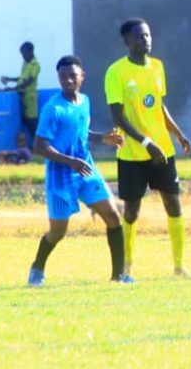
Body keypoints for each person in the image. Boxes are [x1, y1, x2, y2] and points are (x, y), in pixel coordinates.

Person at [27, 56, 127, 286]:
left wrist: (103, 138)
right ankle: (38, 266)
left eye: (73, 75)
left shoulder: (85, 102)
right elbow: (39, 146)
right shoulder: (53, 109)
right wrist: (70, 161)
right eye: (63, 76)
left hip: (86, 170)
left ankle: (119, 276)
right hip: (60, 177)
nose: (68, 80)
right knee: (58, 232)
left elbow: (81, 132)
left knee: (112, 216)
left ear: (82, 76)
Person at [105, 18, 191, 278]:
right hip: (133, 153)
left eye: (148, 35)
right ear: (127, 41)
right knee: (132, 210)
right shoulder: (116, 72)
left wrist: (178, 134)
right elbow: (118, 117)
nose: (146, 40)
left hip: (162, 151)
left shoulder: (157, 67)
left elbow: (159, 105)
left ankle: (179, 266)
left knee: (174, 205)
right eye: (140, 36)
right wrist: (145, 142)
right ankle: (127, 265)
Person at [0, 41, 41, 143]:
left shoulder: (35, 65)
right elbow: (22, 78)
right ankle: (31, 146)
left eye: (24, 54)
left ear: (30, 51)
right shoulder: (25, 63)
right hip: (22, 96)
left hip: (30, 97)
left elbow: (28, 81)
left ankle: (40, 146)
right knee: (25, 122)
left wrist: (13, 89)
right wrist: (9, 79)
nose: (23, 56)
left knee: (32, 122)